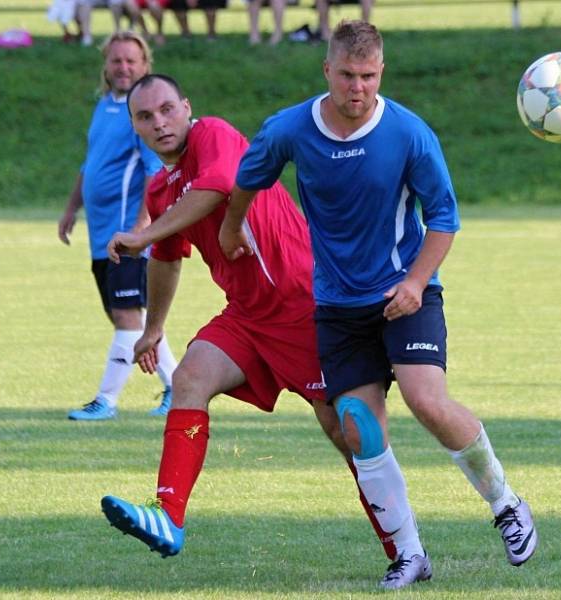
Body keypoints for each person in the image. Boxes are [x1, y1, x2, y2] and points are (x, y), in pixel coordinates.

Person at [220, 20, 538, 589]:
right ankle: (410, 555)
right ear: (327, 72)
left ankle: (507, 504)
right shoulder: (291, 129)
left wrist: (416, 283)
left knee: (428, 402)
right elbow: (248, 175)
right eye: (346, 75)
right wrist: (233, 226)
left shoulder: (409, 134)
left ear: (381, 72)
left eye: (367, 76)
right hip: (338, 305)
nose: (357, 87)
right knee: (358, 426)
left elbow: (444, 219)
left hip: (404, 292)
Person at [99, 73, 398, 563]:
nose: (160, 122)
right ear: (134, 126)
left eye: (167, 109)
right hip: (248, 317)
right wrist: (153, 328)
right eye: (145, 117)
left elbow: (218, 188)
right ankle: (168, 515)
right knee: (191, 375)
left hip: (305, 307)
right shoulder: (160, 190)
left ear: (187, 107)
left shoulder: (214, 134)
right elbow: (168, 259)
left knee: (348, 433)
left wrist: (144, 234)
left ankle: (401, 546)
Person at [58, 32, 177, 420]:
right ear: (106, 66)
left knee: (127, 317)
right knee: (130, 320)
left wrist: (141, 231)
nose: (123, 67)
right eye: (116, 60)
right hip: (100, 236)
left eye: (132, 61)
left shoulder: (141, 113)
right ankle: (178, 385)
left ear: (146, 66)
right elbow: (89, 163)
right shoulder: (104, 106)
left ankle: (105, 400)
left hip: (127, 237)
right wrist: (71, 208)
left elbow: (152, 172)